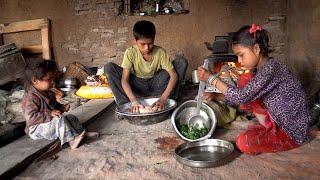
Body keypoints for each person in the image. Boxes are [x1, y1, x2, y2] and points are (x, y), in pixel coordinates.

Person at [197, 24, 310, 154]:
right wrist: (216, 96)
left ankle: (272, 132)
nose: (239, 60)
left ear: (256, 49)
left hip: (292, 132)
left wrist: (212, 79)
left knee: (243, 143)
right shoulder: (262, 68)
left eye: (241, 55)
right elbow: (244, 96)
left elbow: (241, 96)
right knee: (246, 79)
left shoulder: (270, 69)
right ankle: (267, 126)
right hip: (276, 119)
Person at [104, 20, 188, 112]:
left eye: (150, 43)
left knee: (181, 62)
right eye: (143, 44)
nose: (147, 48)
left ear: (154, 39)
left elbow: (174, 76)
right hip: (137, 86)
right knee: (109, 67)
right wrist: (133, 100)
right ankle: (125, 105)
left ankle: (170, 100)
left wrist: (163, 98)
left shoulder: (160, 52)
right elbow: (125, 80)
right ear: (135, 41)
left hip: (156, 84)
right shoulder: (130, 52)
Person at [22, 60, 99, 149]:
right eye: (49, 80)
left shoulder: (49, 92)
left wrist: (61, 107)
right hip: (36, 129)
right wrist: (50, 113)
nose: (53, 82)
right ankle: (71, 140)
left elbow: (54, 106)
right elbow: (31, 118)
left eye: (53, 79)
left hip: (49, 122)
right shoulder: (31, 97)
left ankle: (81, 133)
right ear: (35, 81)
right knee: (59, 119)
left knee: (71, 118)